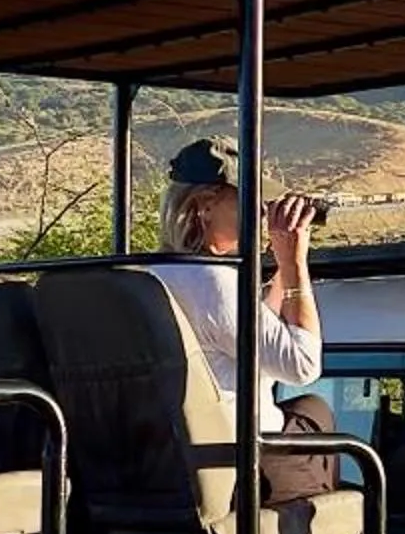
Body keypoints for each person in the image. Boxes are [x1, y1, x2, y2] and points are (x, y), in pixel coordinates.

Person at [145, 137, 338, 504]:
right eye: (252, 200)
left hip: (175, 457)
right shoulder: (214, 281)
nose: (263, 213)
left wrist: (281, 262)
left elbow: (251, 333)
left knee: (307, 409)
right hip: (238, 460)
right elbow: (303, 365)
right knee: (316, 412)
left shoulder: (155, 274)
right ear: (205, 205)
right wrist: (295, 265)